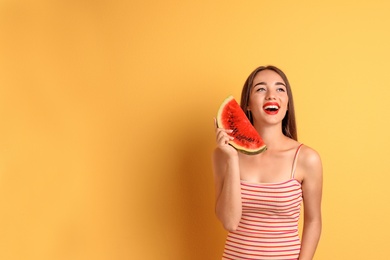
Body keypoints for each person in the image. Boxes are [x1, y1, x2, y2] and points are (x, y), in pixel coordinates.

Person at [212, 65, 323, 260]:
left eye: (280, 89)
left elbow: (313, 221)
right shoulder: (223, 156)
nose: (272, 95)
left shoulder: (306, 158)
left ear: (287, 103)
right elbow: (230, 222)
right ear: (247, 104)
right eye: (261, 89)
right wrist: (231, 158)